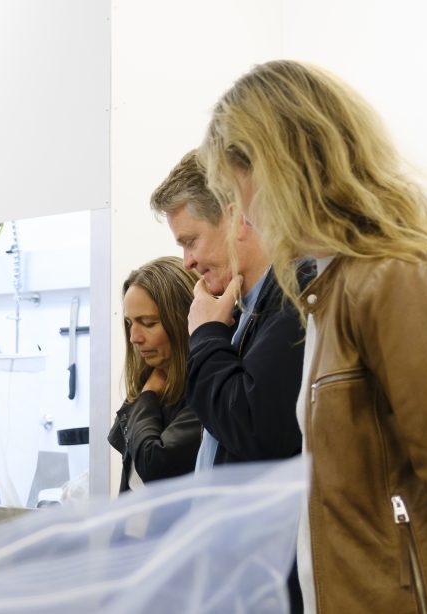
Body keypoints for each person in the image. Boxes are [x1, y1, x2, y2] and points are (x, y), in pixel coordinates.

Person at [202, 59, 427, 613]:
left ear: (275, 169)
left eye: (236, 188)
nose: (243, 215)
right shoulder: (332, 292)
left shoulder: (395, 284)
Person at [150, 149, 310, 612]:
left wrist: (204, 336)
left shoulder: (293, 303)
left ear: (236, 218)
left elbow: (253, 425)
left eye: (191, 241)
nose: (187, 262)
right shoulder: (249, 311)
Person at [107, 257, 202, 493]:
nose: (134, 337)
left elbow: (155, 464)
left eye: (148, 323)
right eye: (130, 323)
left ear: (183, 321)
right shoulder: (151, 385)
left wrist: (147, 397)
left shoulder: (205, 393)